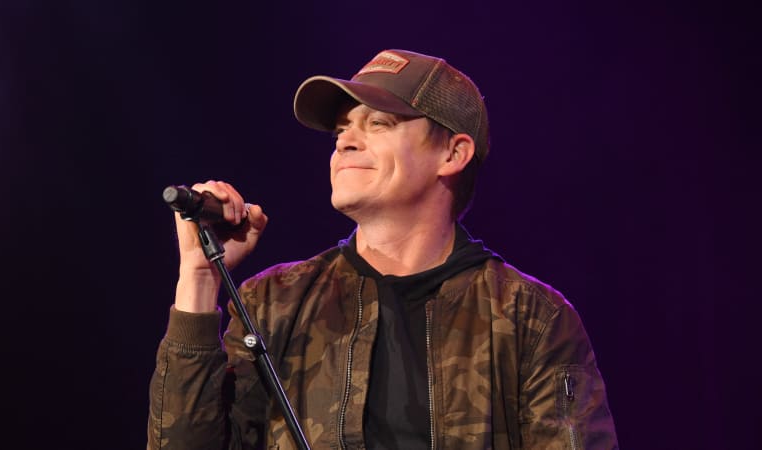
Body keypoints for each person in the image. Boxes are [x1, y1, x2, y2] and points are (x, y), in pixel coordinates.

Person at [147, 49, 619, 449]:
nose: (346, 142)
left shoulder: (531, 318)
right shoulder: (273, 304)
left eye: (378, 123)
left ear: (452, 154)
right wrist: (199, 277)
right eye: (340, 131)